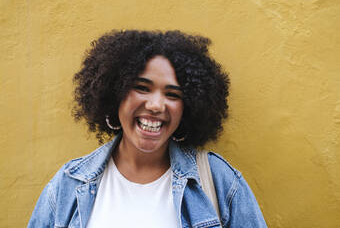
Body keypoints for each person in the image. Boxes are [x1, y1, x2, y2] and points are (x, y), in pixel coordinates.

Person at [28, 30, 267, 227]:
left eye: (172, 94)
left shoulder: (219, 181)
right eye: (142, 88)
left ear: (188, 108)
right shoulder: (69, 184)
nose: (155, 105)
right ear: (116, 93)